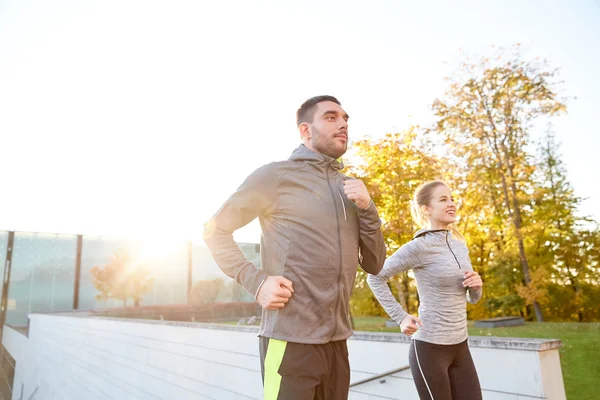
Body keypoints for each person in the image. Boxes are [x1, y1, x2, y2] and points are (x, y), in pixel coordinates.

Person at [203, 95, 386, 399]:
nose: (342, 124)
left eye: (345, 119)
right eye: (330, 117)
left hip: (337, 345)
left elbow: (374, 264)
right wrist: (257, 282)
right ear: (305, 130)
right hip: (290, 342)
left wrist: (368, 208)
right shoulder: (275, 176)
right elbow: (215, 230)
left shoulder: (351, 189)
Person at [367, 180, 483, 400]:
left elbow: (472, 299)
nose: (451, 204)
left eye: (452, 199)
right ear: (426, 209)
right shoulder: (420, 246)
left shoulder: (460, 245)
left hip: (460, 346)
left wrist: (476, 287)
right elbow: (375, 277)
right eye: (443, 199)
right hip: (429, 349)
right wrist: (400, 317)